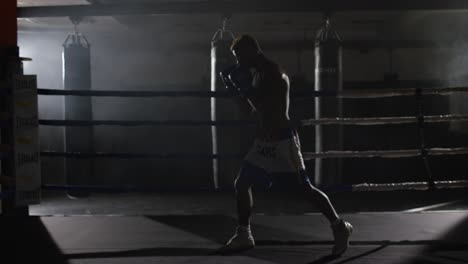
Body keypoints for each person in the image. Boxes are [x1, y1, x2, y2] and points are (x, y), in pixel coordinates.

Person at [218, 34, 353, 256]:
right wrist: (234, 90)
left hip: (283, 142)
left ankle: (339, 227)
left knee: (305, 190)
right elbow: (249, 111)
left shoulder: (274, 74)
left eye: (240, 56)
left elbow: (266, 108)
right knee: (242, 184)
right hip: (263, 141)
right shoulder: (257, 74)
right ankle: (244, 234)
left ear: (252, 50)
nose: (239, 62)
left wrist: (243, 87)